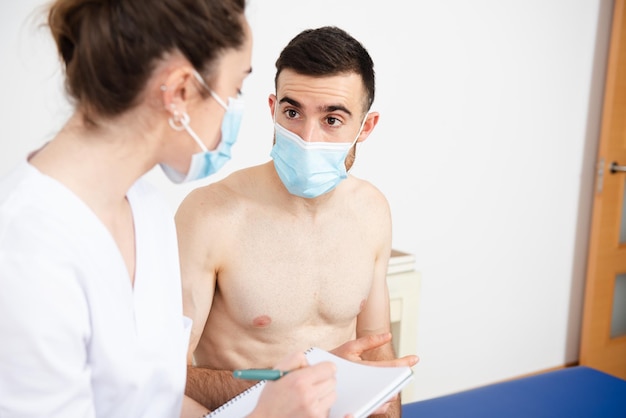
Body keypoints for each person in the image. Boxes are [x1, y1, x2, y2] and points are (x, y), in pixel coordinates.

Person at [0, 2, 378, 417]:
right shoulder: (29, 244)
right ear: (180, 91)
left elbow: (158, 399)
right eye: (234, 90)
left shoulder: (146, 210)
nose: (235, 112)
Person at [177, 26, 417, 418]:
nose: (307, 137)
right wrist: (286, 390)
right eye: (292, 112)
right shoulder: (209, 215)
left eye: (332, 119)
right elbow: (164, 375)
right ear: (272, 108)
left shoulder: (372, 210)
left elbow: (376, 349)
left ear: (366, 127)